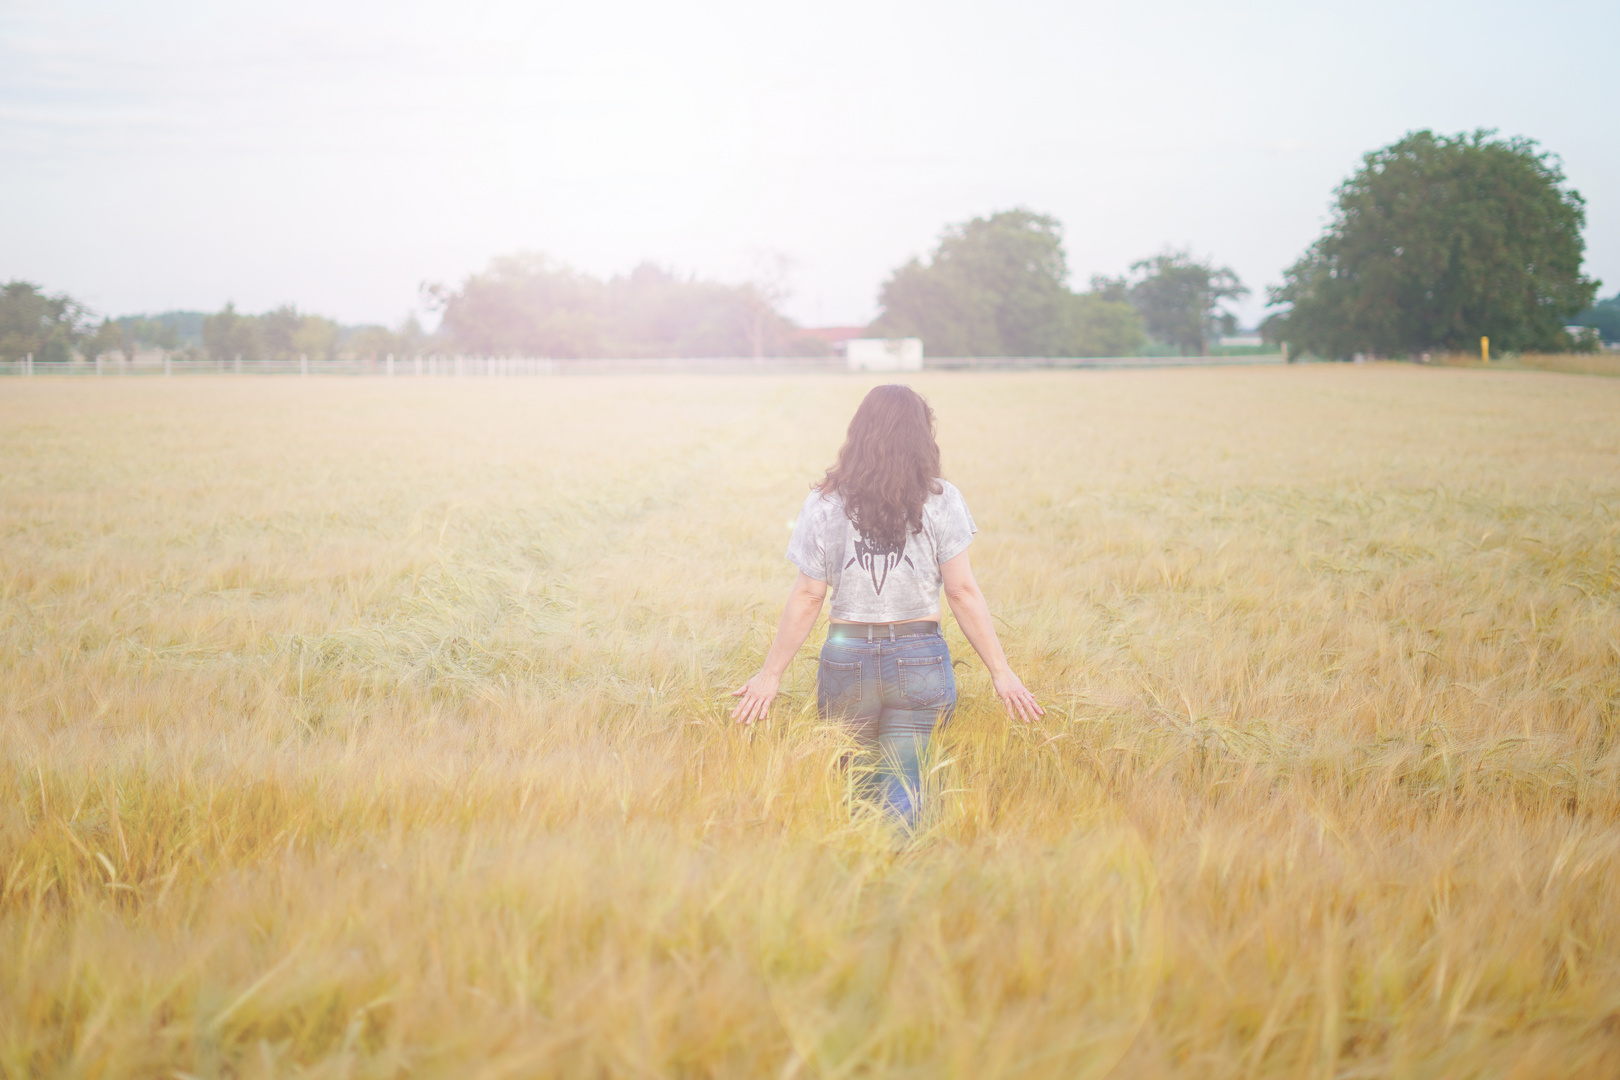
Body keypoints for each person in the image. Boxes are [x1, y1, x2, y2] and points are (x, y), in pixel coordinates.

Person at [730, 384, 1042, 827]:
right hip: (919, 657)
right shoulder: (941, 499)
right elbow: (961, 592)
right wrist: (1001, 671)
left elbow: (808, 595)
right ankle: (905, 874)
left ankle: (860, 873)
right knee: (907, 785)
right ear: (922, 437)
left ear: (858, 433)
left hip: (847, 658)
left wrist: (770, 674)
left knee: (855, 784)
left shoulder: (824, 502)